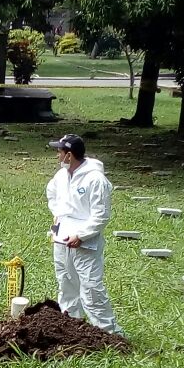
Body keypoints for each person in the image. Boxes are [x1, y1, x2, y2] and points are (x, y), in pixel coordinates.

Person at [46, 133, 123, 335]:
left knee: (91, 289)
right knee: (66, 282)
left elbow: (101, 215)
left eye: (59, 152)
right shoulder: (61, 176)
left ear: (69, 155)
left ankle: (109, 334)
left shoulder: (96, 180)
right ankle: (71, 326)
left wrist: (82, 235)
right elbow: (51, 194)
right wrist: (58, 217)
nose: (57, 155)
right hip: (62, 238)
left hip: (85, 243)